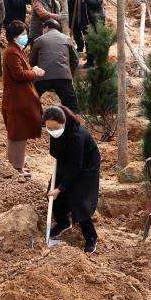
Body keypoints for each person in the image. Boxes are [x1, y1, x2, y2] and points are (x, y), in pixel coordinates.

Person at [43, 105, 100, 253]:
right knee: (52, 192)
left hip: (85, 165)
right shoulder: (54, 129)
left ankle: (91, 237)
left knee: (78, 198)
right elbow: (54, 150)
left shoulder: (77, 135)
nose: (52, 131)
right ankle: (63, 223)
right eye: (49, 128)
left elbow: (76, 166)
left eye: (55, 128)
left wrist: (61, 188)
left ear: (64, 122)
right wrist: (57, 188)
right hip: (66, 160)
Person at [2, 20, 45, 176]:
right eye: (22, 34)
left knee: (20, 133)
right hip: (17, 99)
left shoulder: (17, 50)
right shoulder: (12, 52)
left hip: (20, 98)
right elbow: (19, 75)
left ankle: (16, 165)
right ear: (14, 36)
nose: (25, 37)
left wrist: (32, 69)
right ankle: (16, 167)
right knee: (18, 133)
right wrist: (35, 73)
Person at [31, 20, 80, 112]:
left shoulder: (39, 40)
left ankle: (35, 122)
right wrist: (69, 72)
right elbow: (75, 60)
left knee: (32, 100)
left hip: (42, 77)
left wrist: (37, 72)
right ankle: (73, 125)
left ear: (46, 28)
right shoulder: (67, 39)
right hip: (63, 76)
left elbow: (32, 61)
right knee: (71, 104)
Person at [68, 0, 105, 66]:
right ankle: (90, 60)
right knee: (87, 40)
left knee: (93, 40)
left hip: (95, 19)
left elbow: (97, 4)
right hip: (84, 19)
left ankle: (94, 61)